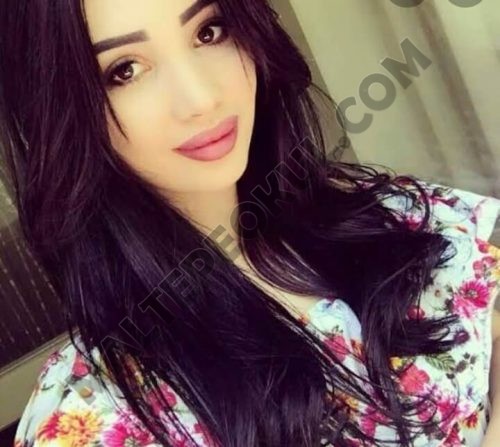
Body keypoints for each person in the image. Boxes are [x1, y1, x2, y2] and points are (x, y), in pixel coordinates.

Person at [0, 0, 499, 446]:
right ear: (59, 114)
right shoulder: (97, 414)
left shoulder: (378, 215)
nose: (201, 98)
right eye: (125, 70)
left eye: (208, 31)